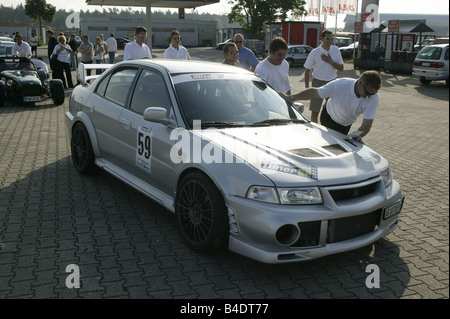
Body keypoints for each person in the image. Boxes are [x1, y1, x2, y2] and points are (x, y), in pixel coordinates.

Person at [288, 71, 382, 142]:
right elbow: (315, 93)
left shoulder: (373, 97)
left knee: (344, 144)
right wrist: (292, 97)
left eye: (372, 94)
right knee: (329, 144)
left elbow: (367, 124)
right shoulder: (340, 84)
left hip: (346, 124)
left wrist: (359, 135)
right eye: (367, 93)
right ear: (359, 83)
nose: (369, 96)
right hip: (329, 118)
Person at [303, 29, 344, 123]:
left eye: (331, 39)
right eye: (327, 38)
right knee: (315, 110)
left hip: (332, 83)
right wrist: (307, 87)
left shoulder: (336, 50)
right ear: (322, 39)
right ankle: (315, 128)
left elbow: (341, 68)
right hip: (317, 82)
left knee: (332, 110)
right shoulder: (314, 52)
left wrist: (331, 62)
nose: (329, 41)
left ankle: (329, 129)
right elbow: (307, 70)